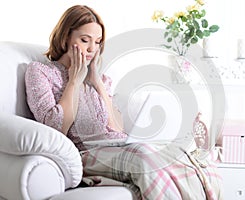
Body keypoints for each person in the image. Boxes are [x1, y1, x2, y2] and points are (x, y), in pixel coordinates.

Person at [25, 5, 221, 200]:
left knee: (182, 154)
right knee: (143, 155)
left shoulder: (98, 80)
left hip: (115, 144)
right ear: (65, 37)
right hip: (83, 152)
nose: (92, 49)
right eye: (85, 40)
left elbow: (117, 127)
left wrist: (96, 82)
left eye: (98, 42)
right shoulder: (41, 72)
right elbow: (55, 129)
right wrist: (74, 80)